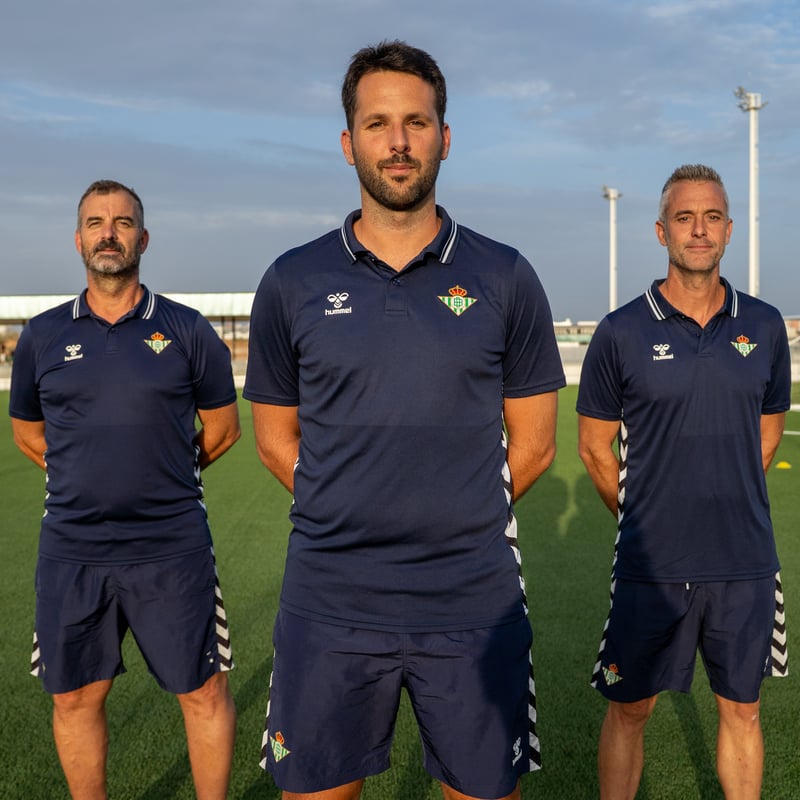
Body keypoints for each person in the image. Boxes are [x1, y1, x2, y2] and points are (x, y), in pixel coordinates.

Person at [244, 40, 565, 800]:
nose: (398, 141)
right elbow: (275, 439)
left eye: (416, 123)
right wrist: (345, 508)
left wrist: (457, 516)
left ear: (444, 138)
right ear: (348, 142)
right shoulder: (291, 280)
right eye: (378, 123)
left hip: (472, 598)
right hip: (330, 600)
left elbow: (536, 444)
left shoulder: (504, 275)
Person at [9, 179, 240, 800]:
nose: (108, 233)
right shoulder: (42, 336)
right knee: (75, 697)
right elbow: (27, 432)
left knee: (203, 690)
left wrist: (164, 472)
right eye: (95, 222)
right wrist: (78, 475)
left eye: (122, 222)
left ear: (143, 237)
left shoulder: (186, 329)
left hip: (172, 547)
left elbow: (222, 429)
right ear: (78, 239)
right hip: (73, 550)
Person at [577, 164, 790, 800]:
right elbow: (594, 448)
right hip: (652, 565)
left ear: (729, 230)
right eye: (685, 217)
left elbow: (767, 435)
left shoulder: (765, 325)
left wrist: (722, 502)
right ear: (661, 230)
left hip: (743, 561)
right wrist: (644, 522)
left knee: (743, 710)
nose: (699, 230)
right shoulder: (620, 331)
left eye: (712, 217)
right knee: (629, 710)